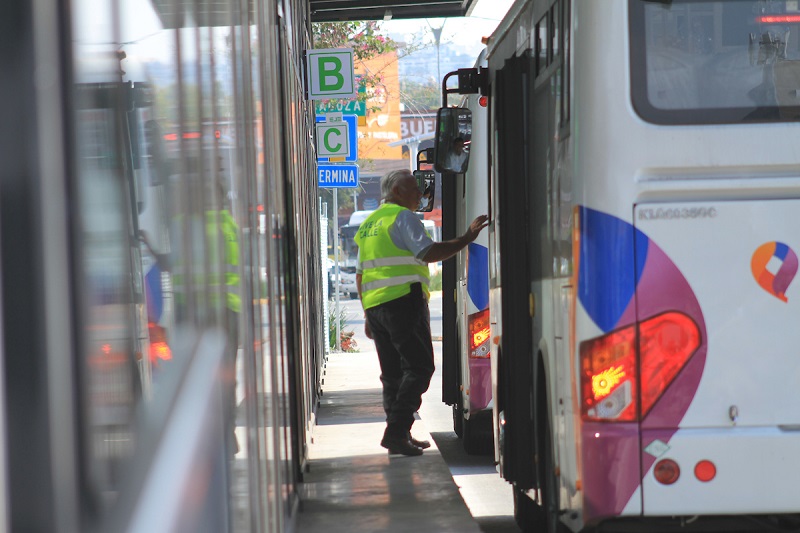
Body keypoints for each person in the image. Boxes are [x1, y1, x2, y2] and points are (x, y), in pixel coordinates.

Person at [355, 169, 489, 456]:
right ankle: (396, 431)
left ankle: (400, 434)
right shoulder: (403, 217)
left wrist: (368, 312)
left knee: (392, 374)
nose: (421, 194)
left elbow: (360, 274)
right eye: (415, 189)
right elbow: (428, 252)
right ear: (399, 192)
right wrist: (467, 238)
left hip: (378, 307)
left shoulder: (369, 223)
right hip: (403, 302)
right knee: (419, 368)